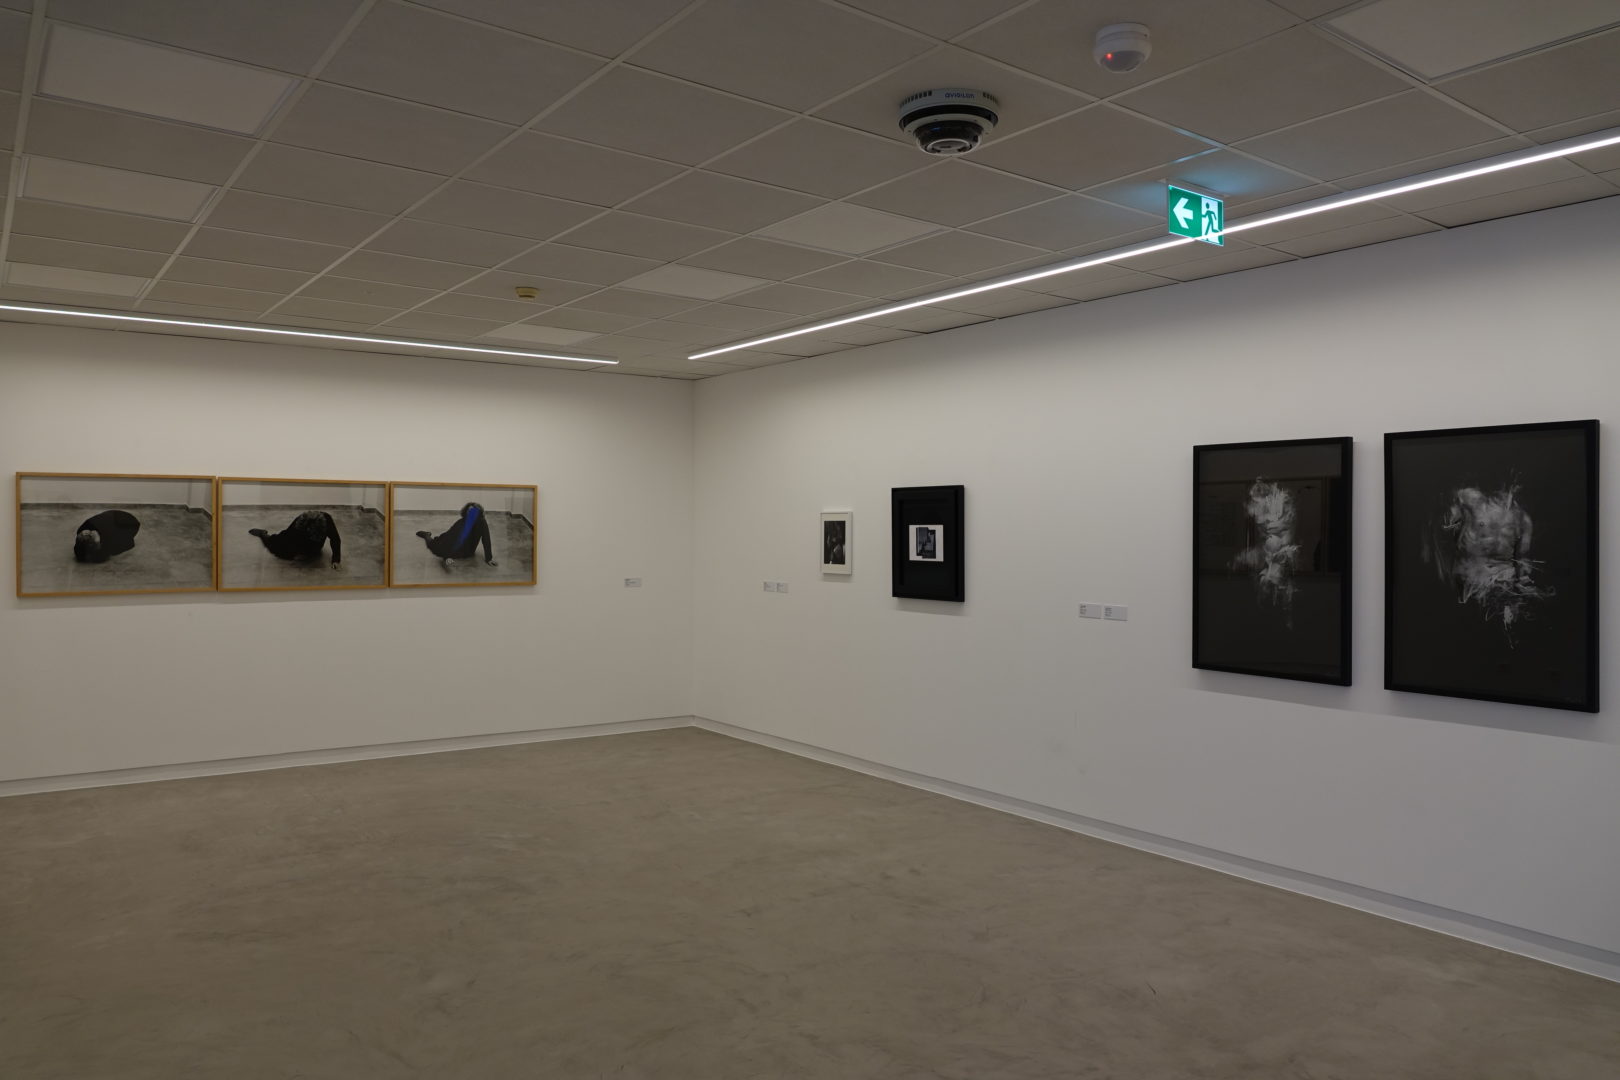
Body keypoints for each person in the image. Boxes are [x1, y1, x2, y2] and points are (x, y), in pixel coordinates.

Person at [415, 502, 496, 572]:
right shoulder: (461, 523)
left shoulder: (482, 522)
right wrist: (447, 557)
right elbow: (450, 539)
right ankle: (426, 535)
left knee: (448, 541)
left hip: (467, 551)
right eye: (469, 511)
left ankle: (429, 536)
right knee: (433, 545)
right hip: (451, 546)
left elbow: (486, 538)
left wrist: (489, 558)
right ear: (466, 513)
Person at [249, 509, 342, 568]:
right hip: (300, 540)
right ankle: (262, 534)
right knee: (277, 549)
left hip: (316, 544)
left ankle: (308, 550)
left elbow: (335, 539)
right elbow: (287, 538)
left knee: (311, 554)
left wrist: (336, 560)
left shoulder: (326, 520)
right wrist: (296, 553)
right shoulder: (299, 524)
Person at [73, 509, 140, 563]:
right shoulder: (109, 544)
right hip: (130, 525)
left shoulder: (84, 527)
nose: (86, 535)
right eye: (89, 539)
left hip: (115, 515)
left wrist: (80, 537)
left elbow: (80, 552)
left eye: (81, 537)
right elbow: (131, 544)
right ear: (98, 545)